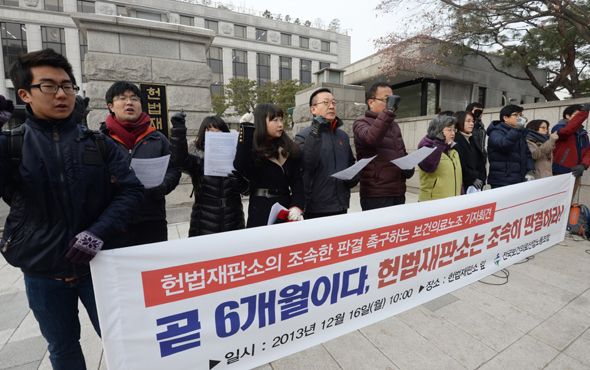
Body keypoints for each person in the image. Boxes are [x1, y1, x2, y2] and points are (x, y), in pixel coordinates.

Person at [0, 49, 144, 370]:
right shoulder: (11, 145)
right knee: (63, 348)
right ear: (24, 94)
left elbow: (131, 191)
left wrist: (98, 233)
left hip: (100, 266)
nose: (62, 94)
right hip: (42, 270)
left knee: (123, 340)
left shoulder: (99, 143)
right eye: (49, 86)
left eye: (68, 86)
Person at [100, 81, 180, 246]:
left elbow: (173, 170)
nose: (129, 102)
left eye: (134, 98)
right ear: (111, 106)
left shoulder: (158, 138)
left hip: (151, 219)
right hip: (113, 221)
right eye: (122, 98)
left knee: (154, 269)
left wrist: (165, 185)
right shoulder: (100, 140)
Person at [169, 113, 247, 236]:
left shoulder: (237, 157)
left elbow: (247, 190)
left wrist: (240, 182)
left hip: (233, 219)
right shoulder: (197, 158)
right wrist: (178, 130)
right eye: (211, 130)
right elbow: (179, 161)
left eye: (220, 130)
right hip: (204, 220)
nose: (216, 134)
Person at [233, 103, 304, 227]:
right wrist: (246, 129)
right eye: (274, 120)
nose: (280, 124)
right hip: (260, 209)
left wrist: (296, 207)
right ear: (261, 122)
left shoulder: (288, 149)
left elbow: (297, 183)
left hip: (285, 209)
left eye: (281, 119)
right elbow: (240, 165)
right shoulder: (252, 149)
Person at [295, 88, 358, 219]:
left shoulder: (342, 136)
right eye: (326, 102)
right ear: (313, 110)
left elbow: (350, 162)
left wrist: (354, 177)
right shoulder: (303, 136)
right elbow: (308, 163)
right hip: (316, 207)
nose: (331, 106)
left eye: (334, 103)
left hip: (341, 204)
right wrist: (315, 133)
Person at [353, 82, 414, 211]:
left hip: (398, 191)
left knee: (396, 231)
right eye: (387, 99)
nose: (392, 103)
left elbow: (401, 152)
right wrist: (389, 112)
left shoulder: (394, 125)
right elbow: (371, 139)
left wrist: (409, 167)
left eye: (393, 99)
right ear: (371, 102)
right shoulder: (361, 123)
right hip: (376, 193)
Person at [486, 104, 535, 188]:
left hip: (518, 179)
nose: (519, 117)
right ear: (505, 118)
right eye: (515, 115)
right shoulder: (496, 132)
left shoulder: (519, 133)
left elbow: (527, 154)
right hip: (502, 180)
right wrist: (517, 129)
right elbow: (503, 146)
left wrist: (530, 170)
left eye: (520, 115)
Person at [417, 115, 462, 201]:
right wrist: (438, 144)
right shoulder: (425, 149)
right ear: (437, 131)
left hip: (452, 202)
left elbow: (459, 180)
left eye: (454, 130)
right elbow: (429, 167)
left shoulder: (453, 152)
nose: (453, 133)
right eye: (449, 129)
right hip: (432, 203)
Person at [552, 102, 590, 201]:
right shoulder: (558, 128)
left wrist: (583, 165)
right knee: (556, 202)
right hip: (560, 171)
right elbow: (567, 131)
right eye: (577, 114)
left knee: (568, 202)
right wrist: (584, 112)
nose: (580, 117)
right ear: (567, 116)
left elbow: (588, 152)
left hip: (577, 172)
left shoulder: (583, 134)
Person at [453, 111, 486, 191]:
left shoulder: (472, 139)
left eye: (473, 121)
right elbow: (460, 163)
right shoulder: (455, 139)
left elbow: (480, 160)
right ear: (459, 121)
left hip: (476, 184)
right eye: (468, 121)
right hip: (463, 184)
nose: (471, 124)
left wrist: (481, 177)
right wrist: (472, 178)